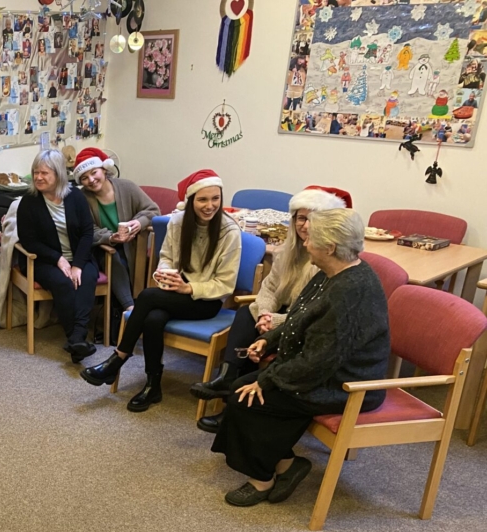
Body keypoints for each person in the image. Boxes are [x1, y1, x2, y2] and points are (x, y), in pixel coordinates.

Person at [212, 208, 390, 507]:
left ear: (330, 247)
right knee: (241, 388)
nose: (305, 243)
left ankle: (262, 478)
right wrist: (266, 340)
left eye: (311, 239)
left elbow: (319, 362)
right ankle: (287, 465)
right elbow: (299, 318)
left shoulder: (349, 293)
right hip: (322, 369)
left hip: (347, 384)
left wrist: (267, 380)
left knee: (249, 400)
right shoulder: (330, 274)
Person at [190, 186, 352, 432]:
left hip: (306, 323)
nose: (304, 225)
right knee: (246, 314)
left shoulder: (327, 258)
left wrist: (275, 321)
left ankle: (232, 400)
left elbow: (314, 313)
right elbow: (269, 288)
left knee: (256, 332)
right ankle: (228, 380)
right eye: (300, 217)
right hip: (281, 312)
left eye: (311, 218)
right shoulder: (288, 250)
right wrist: (265, 313)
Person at [81, 169, 241, 412]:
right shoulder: (177, 222)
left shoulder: (229, 232)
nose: (210, 206)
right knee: (153, 319)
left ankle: (118, 359)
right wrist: (166, 275)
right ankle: (152, 386)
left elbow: (225, 285)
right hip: (174, 291)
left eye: (215, 199)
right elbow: (165, 258)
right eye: (202, 199)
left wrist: (188, 287)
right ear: (190, 200)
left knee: (146, 296)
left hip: (206, 299)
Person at [16, 148, 99, 363]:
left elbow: (87, 232)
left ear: (59, 174)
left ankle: (76, 339)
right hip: (43, 260)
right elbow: (28, 241)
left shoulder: (76, 197)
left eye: (44, 173)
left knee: (87, 278)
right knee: (63, 283)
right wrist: (58, 259)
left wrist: (78, 264)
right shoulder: (29, 202)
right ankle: (76, 338)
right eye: (36, 172)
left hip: (78, 257)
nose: (38, 177)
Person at [73, 147, 160, 333]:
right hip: (102, 248)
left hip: (134, 246)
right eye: (84, 177)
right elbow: (87, 231)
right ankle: (130, 308)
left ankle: (135, 311)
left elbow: (153, 210)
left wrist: (139, 222)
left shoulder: (126, 187)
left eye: (94, 173)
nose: (91, 180)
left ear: (104, 169)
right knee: (114, 258)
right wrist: (111, 237)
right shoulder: (82, 198)